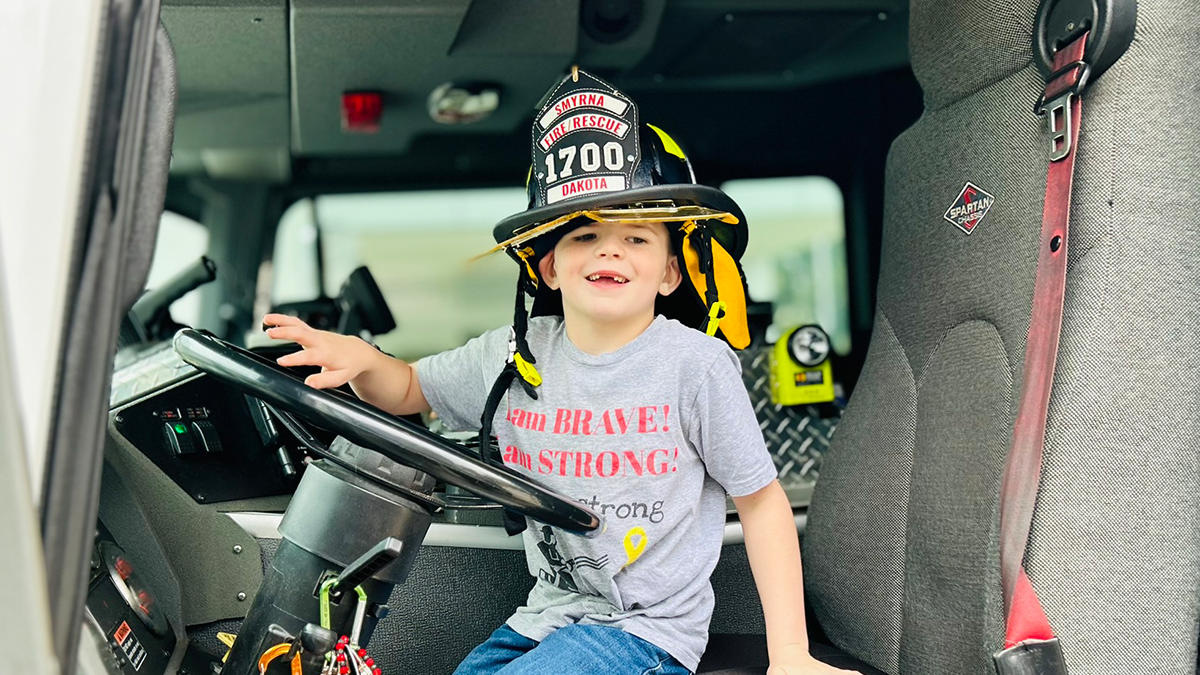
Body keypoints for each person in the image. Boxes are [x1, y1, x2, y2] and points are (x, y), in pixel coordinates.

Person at [263, 69, 856, 675]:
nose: (610, 250)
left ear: (670, 273)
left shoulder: (695, 368)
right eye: (585, 235)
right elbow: (411, 389)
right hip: (544, 618)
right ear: (547, 266)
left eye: (637, 237)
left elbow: (760, 503)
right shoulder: (513, 354)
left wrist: (789, 654)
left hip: (645, 631)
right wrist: (366, 361)